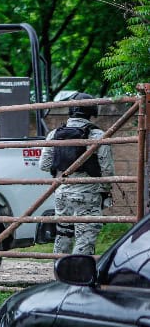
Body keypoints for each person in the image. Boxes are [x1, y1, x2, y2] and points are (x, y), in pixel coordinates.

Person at [39, 92, 114, 255]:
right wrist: (104, 190)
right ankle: (79, 276)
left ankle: (60, 275)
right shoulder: (97, 135)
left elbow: (44, 165)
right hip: (88, 194)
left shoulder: (54, 134)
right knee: (85, 237)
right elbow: (107, 170)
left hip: (62, 194)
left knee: (63, 234)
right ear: (92, 111)